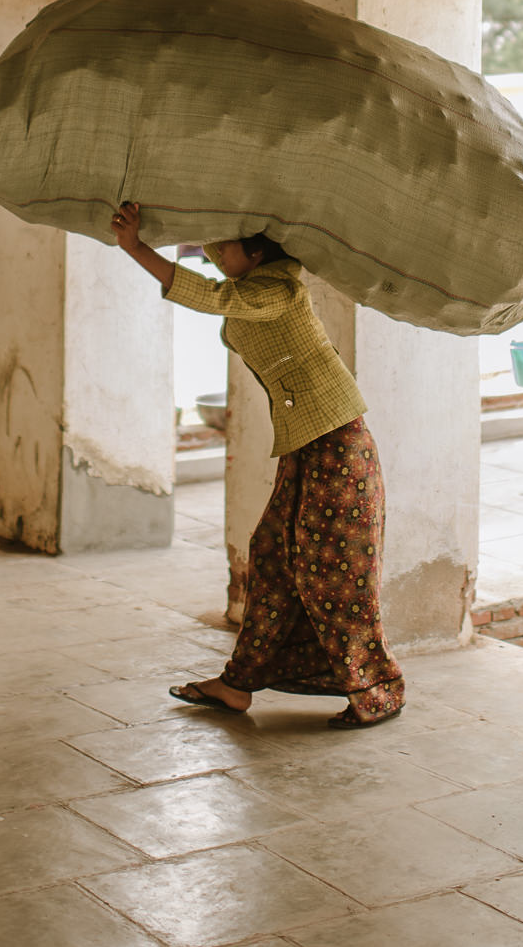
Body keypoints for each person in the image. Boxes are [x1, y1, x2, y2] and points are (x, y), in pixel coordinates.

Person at [110, 201, 404, 728]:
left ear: (257, 250)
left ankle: (376, 688)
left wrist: (136, 249)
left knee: (335, 571)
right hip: (306, 444)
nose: (215, 251)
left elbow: (212, 296)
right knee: (270, 554)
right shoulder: (259, 287)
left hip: (338, 443)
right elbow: (221, 292)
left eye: (225, 244)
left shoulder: (279, 288)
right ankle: (238, 683)